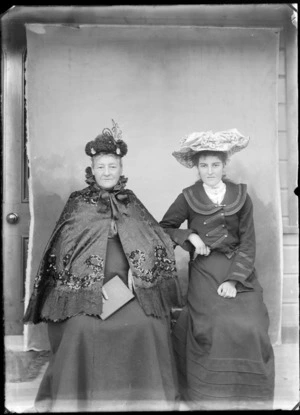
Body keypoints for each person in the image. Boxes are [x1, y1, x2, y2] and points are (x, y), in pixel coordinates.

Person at [23, 120, 183, 412]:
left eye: (112, 166)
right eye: (101, 167)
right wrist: (92, 288)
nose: (107, 172)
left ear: (120, 169)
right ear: (92, 170)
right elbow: (62, 252)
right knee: (82, 328)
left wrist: (140, 273)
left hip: (129, 288)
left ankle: (144, 400)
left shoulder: (131, 201)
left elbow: (153, 238)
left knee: (148, 324)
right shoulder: (77, 203)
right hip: (87, 290)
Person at [159, 129, 275, 410]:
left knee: (253, 326)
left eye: (215, 165)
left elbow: (248, 243)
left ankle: (249, 395)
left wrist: (235, 281)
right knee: (214, 326)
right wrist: (190, 237)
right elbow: (164, 228)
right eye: (203, 165)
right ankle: (209, 396)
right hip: (205, 270)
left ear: (224, 166)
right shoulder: (188, 196)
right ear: (196, 168)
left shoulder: (241, 196)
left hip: (238, 270)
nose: (209, 171)